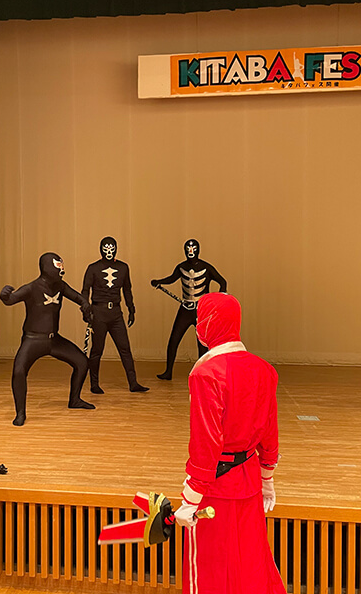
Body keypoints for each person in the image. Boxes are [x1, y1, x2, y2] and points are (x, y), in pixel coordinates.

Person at [173, 293, 285, 594]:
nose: (198, 326)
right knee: (250, 562)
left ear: (209, 323)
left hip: (215, 487)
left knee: (210, 567)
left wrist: (191, 497)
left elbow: (206, 441)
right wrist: (267, 478)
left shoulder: (206, 373)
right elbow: (270, 430)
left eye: (200, 319)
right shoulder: (264, 369)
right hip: (249, 479)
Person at [0, 252, 95, 426]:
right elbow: (11, 300)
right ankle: (20, 413)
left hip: (54, 340)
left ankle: (75, 400)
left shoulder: (60, 286)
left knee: (82, 362)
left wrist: (85, 305)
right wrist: (5, 296)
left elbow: (77, 297)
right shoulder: (31, 288)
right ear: (47, 268)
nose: (62, 271)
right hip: (33, 340)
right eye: (59, 267)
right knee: (19, 372)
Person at [151, 239, 226, 380]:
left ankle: (203, 373)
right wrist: (159, 282)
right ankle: (168, 372)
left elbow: (223, 282)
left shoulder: (206, 267)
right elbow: (172, 278)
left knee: (202, 344)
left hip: (201, 310)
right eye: (188, 248)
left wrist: (218, 301)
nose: (190, 251)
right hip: (185, 308)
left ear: (198, 250)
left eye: (193, 248)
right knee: (174, 339)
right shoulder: (181, 267)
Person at [81, 237, 148, 394]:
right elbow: (85, 290)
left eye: (112, 248)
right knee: (97, 350)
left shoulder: (123, 267)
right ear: (101, 249)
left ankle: (133, 383)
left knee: (125, 349)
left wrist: (131, 309)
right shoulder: (93, 268)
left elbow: (127, 290)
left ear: (116, 248)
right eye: (106, 248)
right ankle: (94, 384)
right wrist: (86, 310)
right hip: (99, 312)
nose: (109, 251)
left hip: (116, 313)